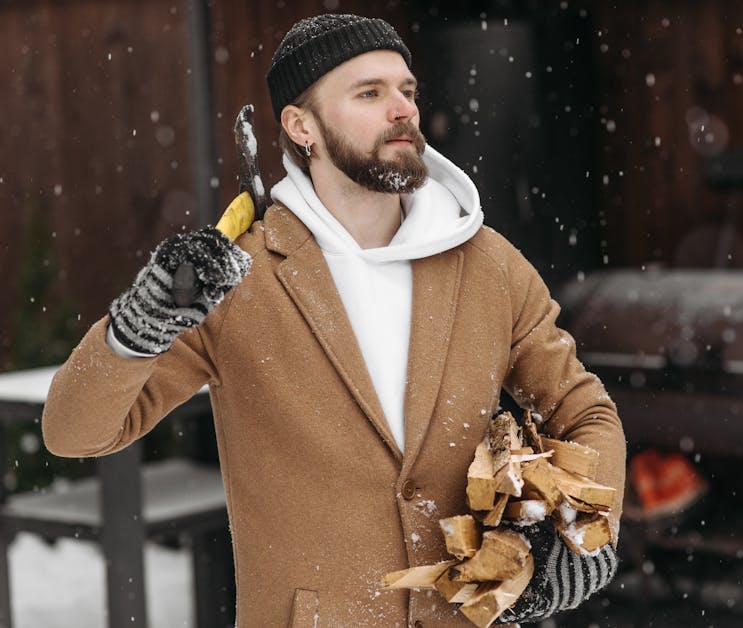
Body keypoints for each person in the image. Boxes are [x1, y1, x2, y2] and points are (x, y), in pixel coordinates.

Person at [42, 13, 626, 627]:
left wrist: (582, 531)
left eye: (407, 91)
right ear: (302, 128)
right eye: (369, 93)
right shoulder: (240, 278)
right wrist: (138, 328)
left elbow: (585, 412)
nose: (401, 108)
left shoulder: (487, 264)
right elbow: (75, 432)